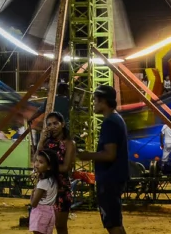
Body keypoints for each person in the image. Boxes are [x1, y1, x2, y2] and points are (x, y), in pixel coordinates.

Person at [77, 85, 129, 234]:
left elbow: (109, 155)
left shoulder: (110, 122)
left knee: (112, 224)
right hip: (114, 177)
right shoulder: (116, 119)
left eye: (95, 100)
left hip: (109, 179)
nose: (93, 103)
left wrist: (87, 155)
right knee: (115, 222)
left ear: (103, 101)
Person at [35, 112, 75, 234]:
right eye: (49, 124)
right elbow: (37, 160)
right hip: (44, 189)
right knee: (41, 226)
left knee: (60, 225)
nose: (52, 126)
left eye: (55, 123)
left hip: (61, 189)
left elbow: (66, 167)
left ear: (62, 124)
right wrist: (41, 141)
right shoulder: (46, 143)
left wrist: (47, 168)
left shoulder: (69, 143)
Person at [29, 149, 60, 234]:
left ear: (49, 166)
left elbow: (34, 203)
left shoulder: (43, 183)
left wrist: (33, 194)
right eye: (36, 161)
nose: (36, 164)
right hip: (50, 212)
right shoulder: (53, 180)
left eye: (41, 162)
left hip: (40, 213)